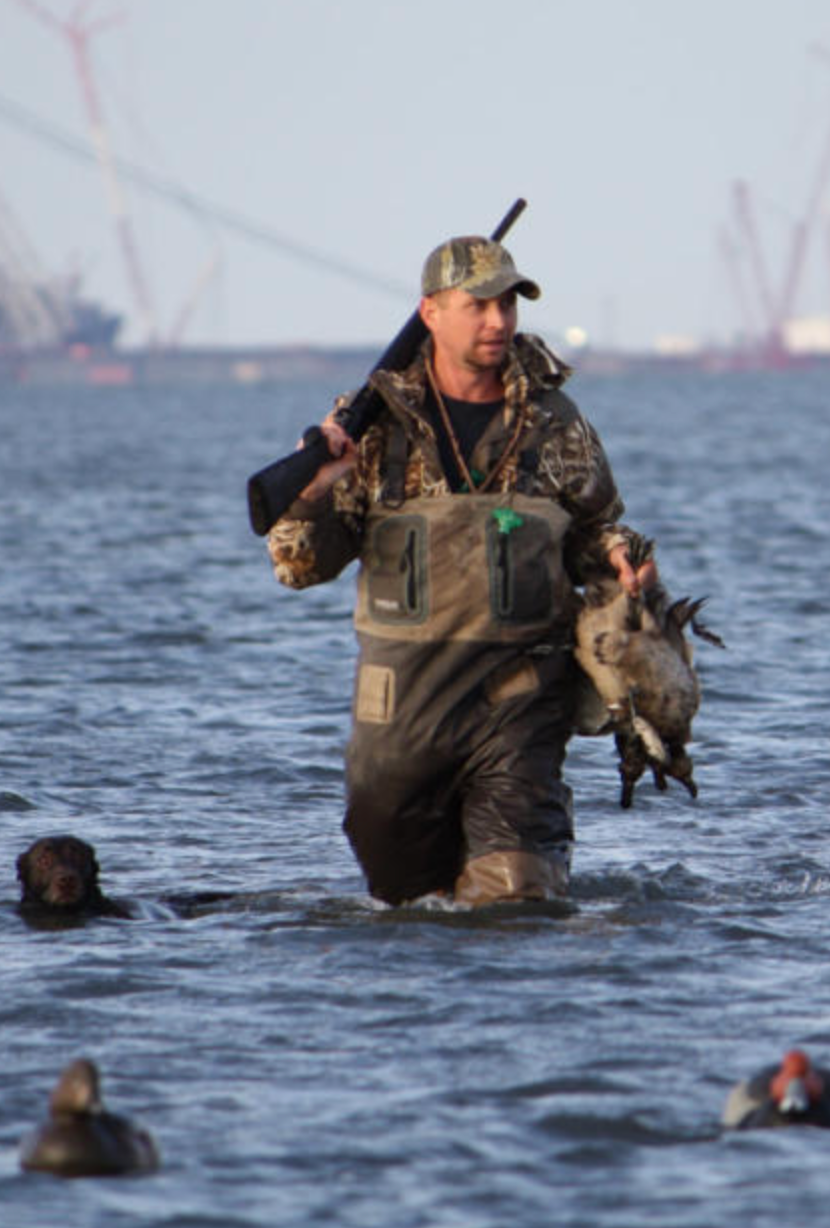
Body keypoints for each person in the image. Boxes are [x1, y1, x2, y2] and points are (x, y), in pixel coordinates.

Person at [266, 234, 658, 908]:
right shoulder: (372, 427)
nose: (497, 321)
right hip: (401, 711)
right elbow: (300, 567)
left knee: (516, 901)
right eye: (476, 304)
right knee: (403, 908)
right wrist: (315, 486)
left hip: (519, 697)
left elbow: (596, 529)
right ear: (430, 313)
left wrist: (621, 559)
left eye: (507, 304)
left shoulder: (553, 420)